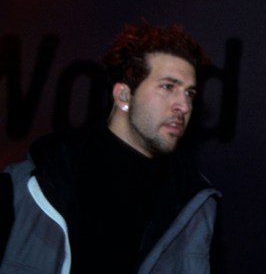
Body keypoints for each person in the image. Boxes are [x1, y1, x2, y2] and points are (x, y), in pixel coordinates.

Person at [0, 21, 222, 274]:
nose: (183, 105)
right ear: (124, 96)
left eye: (189, 93)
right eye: (168, 87)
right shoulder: (34, 184)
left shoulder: (195, 203)